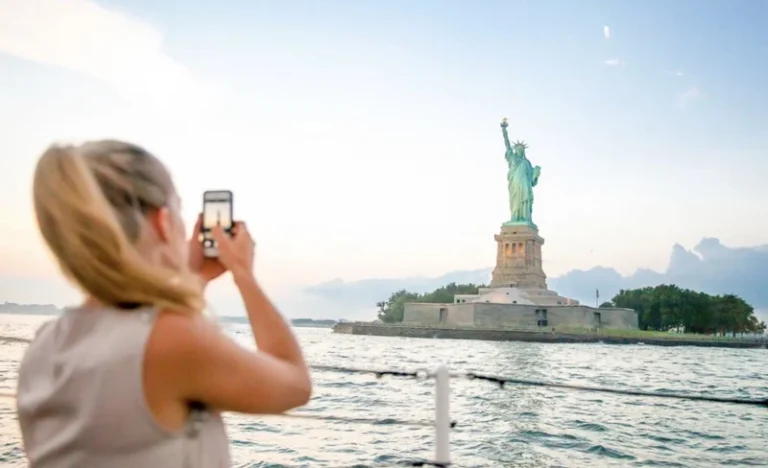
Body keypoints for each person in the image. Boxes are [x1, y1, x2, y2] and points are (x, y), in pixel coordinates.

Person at [15, 140, 312, 467]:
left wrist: (194, 277)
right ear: (162, 222)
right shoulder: (170, 339)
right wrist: (244, 274)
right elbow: (295, 384)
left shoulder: (43, 347)